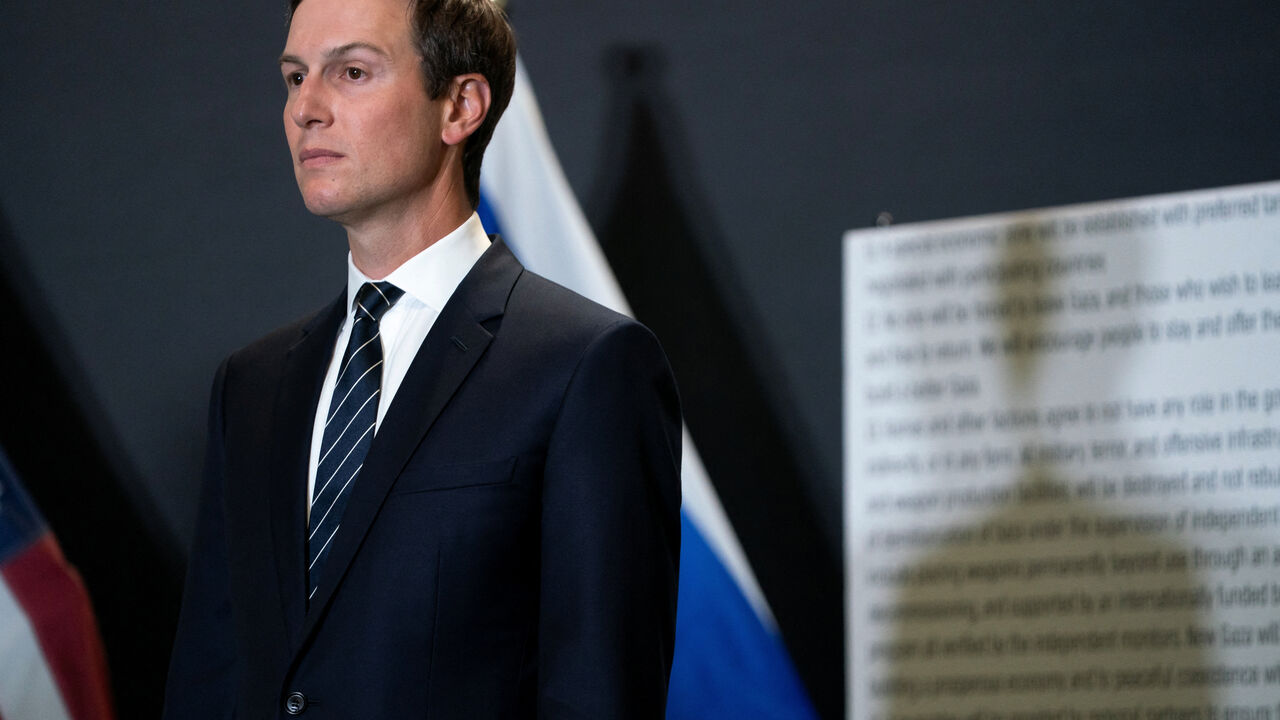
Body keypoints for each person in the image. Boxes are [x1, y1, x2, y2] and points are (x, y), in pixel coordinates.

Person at [162, 0, 682, 716]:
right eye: (293, 77)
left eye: (350, 71)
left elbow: (601, 694)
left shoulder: (583, 366)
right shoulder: (250, 386)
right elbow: (210, 680)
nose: (306, 108)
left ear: (460, 106)